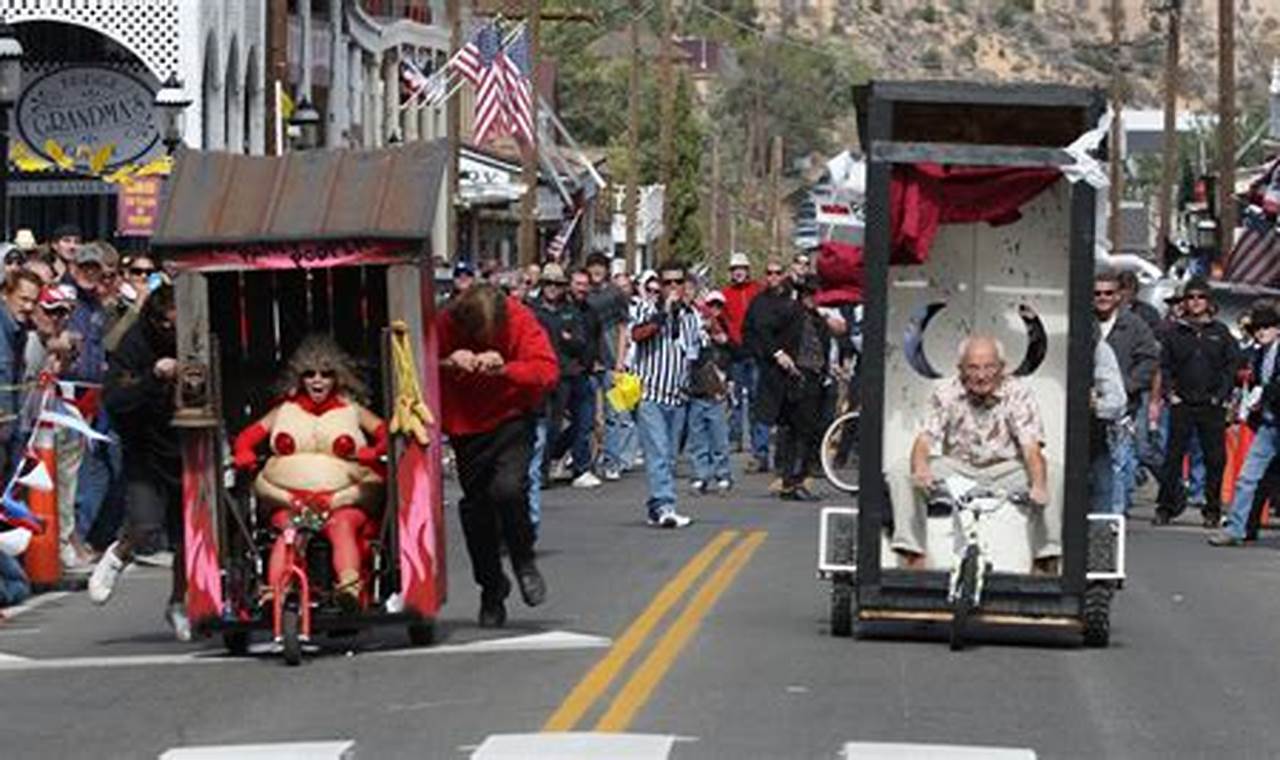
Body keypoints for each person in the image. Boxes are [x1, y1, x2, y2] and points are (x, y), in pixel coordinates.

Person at [229, 335, 387, 612]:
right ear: (299, 378)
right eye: (309, 374)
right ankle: (276, 592)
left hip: (343, 499)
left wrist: (371, 453)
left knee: (342, 527)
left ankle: (349, 588)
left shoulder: (352, 409)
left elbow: (386, 434)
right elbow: (246, 438)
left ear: (337, 377)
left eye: (326, 374)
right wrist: (244, 455)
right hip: (289, 499)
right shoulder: (283, 410)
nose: (317, 381)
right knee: (288, 532)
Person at [438, 283, 556, 626]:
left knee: (509, 489)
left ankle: (523, 561)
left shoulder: (520, 318)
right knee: (477, 510)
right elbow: (416, 360)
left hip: (510, 418)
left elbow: (546, 371)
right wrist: (448, 361)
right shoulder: (446, 323)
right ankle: (491, 589)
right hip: (466, 427)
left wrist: (505, 368)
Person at [87, 286, 192, 638]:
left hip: (186, 446)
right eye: (164, 323)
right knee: (146, 523)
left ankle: (179, 601)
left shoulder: (196, 339)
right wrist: (154, 378)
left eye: (175, 323)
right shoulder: (134, 344)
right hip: (144, 447)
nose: (169, 330)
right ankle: (120, 552)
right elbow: (116, 399)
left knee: (186, 537)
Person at [902, 336, 1052, 572]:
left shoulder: (1018, 393)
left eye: (989, 367)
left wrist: (1039, 486)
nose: (981, 376)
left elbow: (1031, 448)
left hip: (1005, 469)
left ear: (1001, 368)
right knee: (901, 471)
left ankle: (1046, 555)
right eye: (973, 368)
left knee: (1054, 472)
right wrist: (920, 469)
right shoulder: (945, 392)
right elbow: (924, 440)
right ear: (961, 369)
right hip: (959, 469)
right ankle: (912, 552)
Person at [1154, 277, 1240, 527]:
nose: (1195, 302)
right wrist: (1171, 394)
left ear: (1209, 302)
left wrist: (1222, 395)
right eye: (1191, 297)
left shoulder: (1220, 332)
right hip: (1183, 403)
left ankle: (1212, 509)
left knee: (1215, 459)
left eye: (1200, 297)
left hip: (1211, 404)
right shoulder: (1175, 332)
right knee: (1173, 457)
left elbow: (1231, 365)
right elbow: (1165, 366)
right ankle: (1166, 506)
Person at [631, 261, 703, 528]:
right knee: (659, 452)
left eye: (678, 282)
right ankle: (665, 505)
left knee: (670, 456)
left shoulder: (691, 316)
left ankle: (656, 506)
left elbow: (695, 354)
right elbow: (638, 334)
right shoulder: (647, 308)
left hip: (678, 396)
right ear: (659, 286)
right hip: (651, 393)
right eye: (668, 283)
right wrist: (663, 313)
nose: (673, 287)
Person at [1210, 303, 1280, 546]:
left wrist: (1264, 394)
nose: (1261, 332)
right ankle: (1236, 529)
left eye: (1266, 327)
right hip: (1269, 425)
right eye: (1257, 328)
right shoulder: (1258, 354)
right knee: (1247, 477)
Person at [1094, 269, 1160, 515]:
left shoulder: (1134, 325)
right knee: (1094, 466)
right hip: (1087, 408)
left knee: (1119, 463)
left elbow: (1149, 360)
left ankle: (1114, 516)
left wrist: (1127, 386)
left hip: (1121, 408)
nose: (1103, 297)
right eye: (1097, 293)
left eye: (1108, 293)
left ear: (1119, 296)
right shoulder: (1083, 321)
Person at [742, 259, 794, 474]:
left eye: (777, 272)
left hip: (790, 363)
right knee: (762, 410)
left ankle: (784, 457)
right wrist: (767, 353)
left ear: (783, 275)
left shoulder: (790, 301)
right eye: (769, 273)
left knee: (788, 411)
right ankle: (760, 454)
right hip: (765, 363)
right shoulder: (759, 302)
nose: (773, 277)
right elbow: (755, 330)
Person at [686, 290, 733, 494]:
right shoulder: (693, 328)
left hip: (717, 392)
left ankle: (723, 475)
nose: (714, 311)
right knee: (697, 440)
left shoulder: (724, 332)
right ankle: (700, 476)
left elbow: (735, 351)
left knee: (719, 438)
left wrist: (720, 335)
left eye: (718, 307)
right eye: (710, 306)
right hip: (696, 391)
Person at [722, 252, 765, 461]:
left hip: (755, 352)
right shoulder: (725, 294)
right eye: (735, 269)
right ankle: (735, 438)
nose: (738, 272)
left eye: (742, 268)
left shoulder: (757, 291)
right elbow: (720, 320)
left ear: (748, 271)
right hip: (735, 352)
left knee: (756, 398)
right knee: (735, 399)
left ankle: (758, 444)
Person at [0, 270, 39, 474]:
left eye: (34, 301)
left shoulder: (19, 331)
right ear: (5, 294)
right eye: (23, 299)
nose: (29, 307)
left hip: (11, 434)